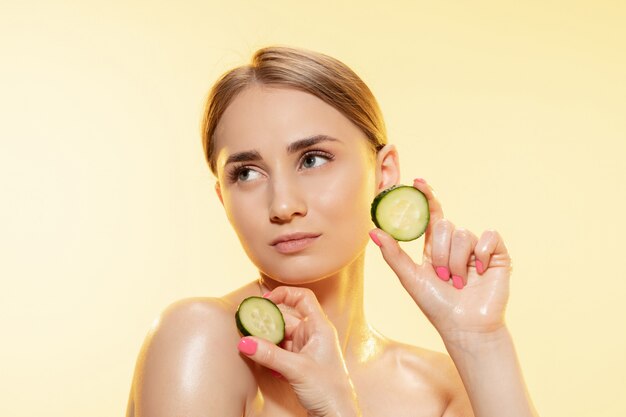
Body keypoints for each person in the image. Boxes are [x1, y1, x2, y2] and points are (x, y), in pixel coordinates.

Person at [126, 46, 539, 417]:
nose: (284, 206)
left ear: (384, 173)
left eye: (312, 159)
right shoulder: (200, 338)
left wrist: (480, 342)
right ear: (223, 199)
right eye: (247, 173)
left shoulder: (441, 389)